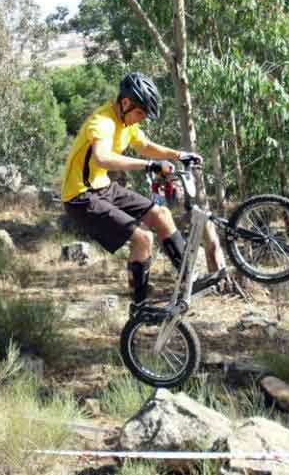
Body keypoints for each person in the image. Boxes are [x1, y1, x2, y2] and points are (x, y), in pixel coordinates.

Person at [60, 72, 203, 304]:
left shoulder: (127, 121)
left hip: (102, 188)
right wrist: (149, 165)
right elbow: (102, 158)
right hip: (79, 197)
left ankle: (189, 278)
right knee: (143, 238)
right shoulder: (102, 122)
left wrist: (179, 155)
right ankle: (139, 306)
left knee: (162, 214)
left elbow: (144, 145)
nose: (141, 119)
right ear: (125, 103)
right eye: (140, 113)